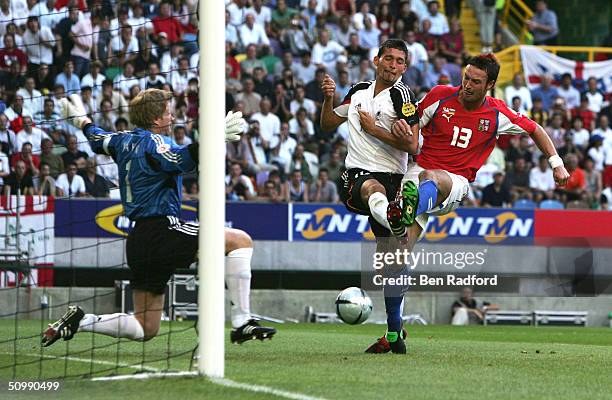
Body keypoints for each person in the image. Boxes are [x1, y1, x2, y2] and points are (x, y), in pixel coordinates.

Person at [42, 90, 276, 347]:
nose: (172, 115)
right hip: (162, 230)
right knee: (240, 241)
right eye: (167, 112)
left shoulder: (121, 141)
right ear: (155, 119)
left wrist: (82, 121)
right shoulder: (156, 143)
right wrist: (213, 137)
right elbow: (180, 159)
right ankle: (242, 322)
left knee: (146, 327)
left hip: (138, 241)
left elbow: (98, 139)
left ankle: (82, 321)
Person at [389, 54, 569, 326]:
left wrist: (557, 164)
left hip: (455, 182)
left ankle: (408, 207)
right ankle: (393, 331)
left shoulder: (497, 113)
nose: (467, 85)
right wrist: (400, 128)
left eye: (475, 81)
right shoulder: (439, 96)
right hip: (417, 175)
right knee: (397, 253)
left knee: (433, 177)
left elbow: (535, 129)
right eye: (465, 78)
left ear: (490, 84)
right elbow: (412, 126)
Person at [320, 39, 419, 354]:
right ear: (377, 60)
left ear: (405, 66)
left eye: (399, 61)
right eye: (388, 59)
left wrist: (375, 129)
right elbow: (328, 123)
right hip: (360, 175)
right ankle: (393, 216)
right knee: (369, 187)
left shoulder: (403, 98)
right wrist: (327, 99)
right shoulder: (359, 90)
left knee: (388, 264)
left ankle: (393, 335)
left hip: (395, 179)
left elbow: (413, 146)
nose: (393, 65)